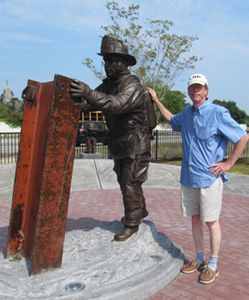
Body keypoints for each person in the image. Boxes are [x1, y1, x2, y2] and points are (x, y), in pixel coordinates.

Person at [148, 74, 249, 284]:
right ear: (189, 91)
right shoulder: (186, 114)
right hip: (189, 178)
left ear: (206, 90)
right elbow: (170, 118)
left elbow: (243, 137)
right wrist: (157, 101)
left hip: (209, 179)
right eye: (192, 87)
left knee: (211, 222)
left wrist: (228, 164)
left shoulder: (218, 112)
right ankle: (200, 259)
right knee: (195, 220)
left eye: (199, 87)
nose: (196, 90)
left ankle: (212, 264)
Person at [70, 35, 152, 242]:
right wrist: (73, 100)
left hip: (136, 141)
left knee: (131, 182)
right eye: (105, 60)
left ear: (121, 62)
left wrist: (88, 93)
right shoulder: (107, 85)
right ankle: (139, 211)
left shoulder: (132, 84)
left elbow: (116, 104)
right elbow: (92, 103)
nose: (106, 65)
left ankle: (132, 223)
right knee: (125, 181)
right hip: (120, 143)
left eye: (110, 60)